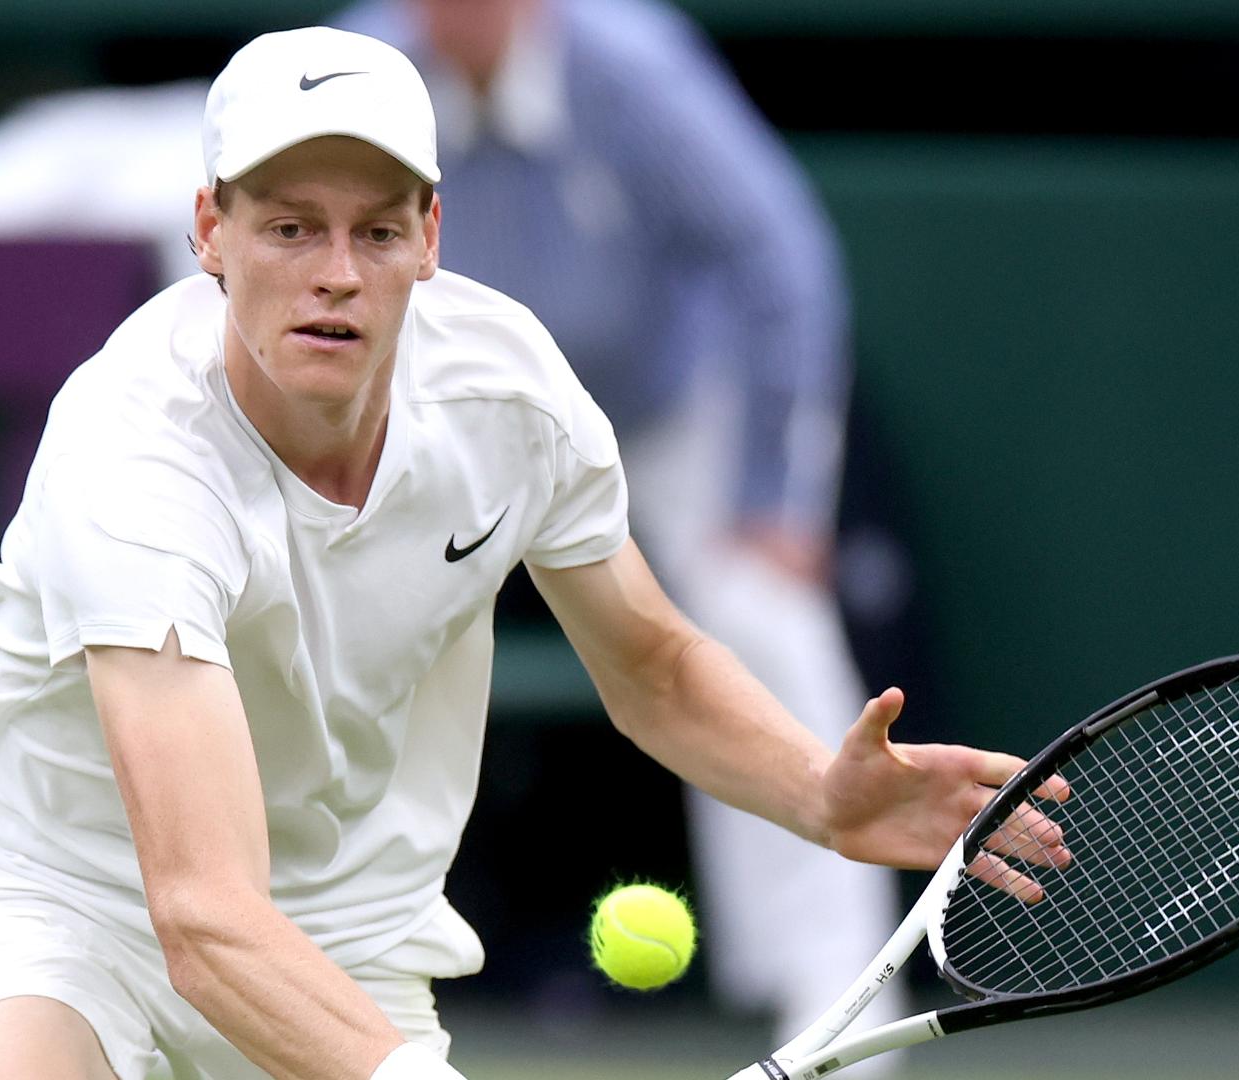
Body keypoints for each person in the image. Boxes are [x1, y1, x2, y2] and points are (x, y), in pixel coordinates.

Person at [0, 26, 1069, 1080]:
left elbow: (650, 666)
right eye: (290, 228)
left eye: (376, 229)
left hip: (348, 916)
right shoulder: (132, 462)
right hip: (55, 891)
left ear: (431, 239)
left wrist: (815, 791)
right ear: (210, 232)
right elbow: (200, 914)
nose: (336, 273)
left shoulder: (511, 396)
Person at [329, 0, 897, 1046]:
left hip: (664, 419)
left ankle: (832, 1010)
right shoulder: (358, 72)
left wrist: (776, 498)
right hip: (454, 415)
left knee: (761, 618)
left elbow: (779, 258)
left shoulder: (632, 68)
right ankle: (328, 987)